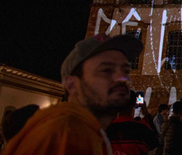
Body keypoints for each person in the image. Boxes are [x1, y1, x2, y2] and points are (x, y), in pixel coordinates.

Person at [2, 33, 143, 155]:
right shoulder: (66, 135)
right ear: (71, 84)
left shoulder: (86, 132)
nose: (122, 78)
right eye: (106, 70)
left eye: (125, 70)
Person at [106, 90, 159, 154]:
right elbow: (155, 141)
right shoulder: (141, 128)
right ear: (134, 104)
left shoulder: (106, 129)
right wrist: (145, 112)